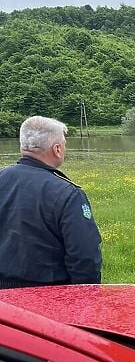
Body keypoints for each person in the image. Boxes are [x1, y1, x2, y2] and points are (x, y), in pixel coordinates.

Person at [0, 116, 102, 288]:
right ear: (57, 149)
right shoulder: (68, 193)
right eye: (64, 144)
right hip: (48, 297)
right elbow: (85, 257)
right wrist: (84, 300)